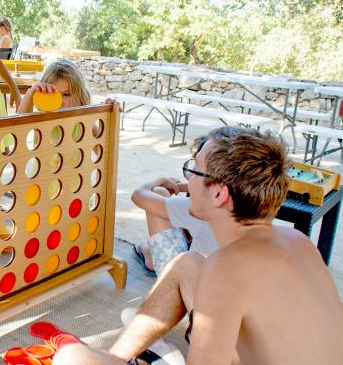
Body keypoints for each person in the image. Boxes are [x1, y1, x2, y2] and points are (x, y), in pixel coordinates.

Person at [53, 126, 343, 365]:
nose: (187, 178)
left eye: (194, 169)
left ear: (218, 194)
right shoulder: (298, 241)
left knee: (71, 358)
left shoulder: (228, 266)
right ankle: (118, 357)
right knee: (186, 264)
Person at [130, 148, 218, 277]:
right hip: (218, 278)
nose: (189, 176)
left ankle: (151, 258)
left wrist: (158, 181)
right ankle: (149, 251)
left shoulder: (200, 207)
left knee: (158, 193)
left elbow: (139, 195)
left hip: (186, 284)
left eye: (194, 170)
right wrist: (180, 187)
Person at [17, 59, 91, 113]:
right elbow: (18, 125)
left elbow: (98, 133)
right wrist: (30, 95)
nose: (59, 102)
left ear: (81, 97)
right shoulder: (42, 118)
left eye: (66, 94)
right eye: (52, 94)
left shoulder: (82, 120)